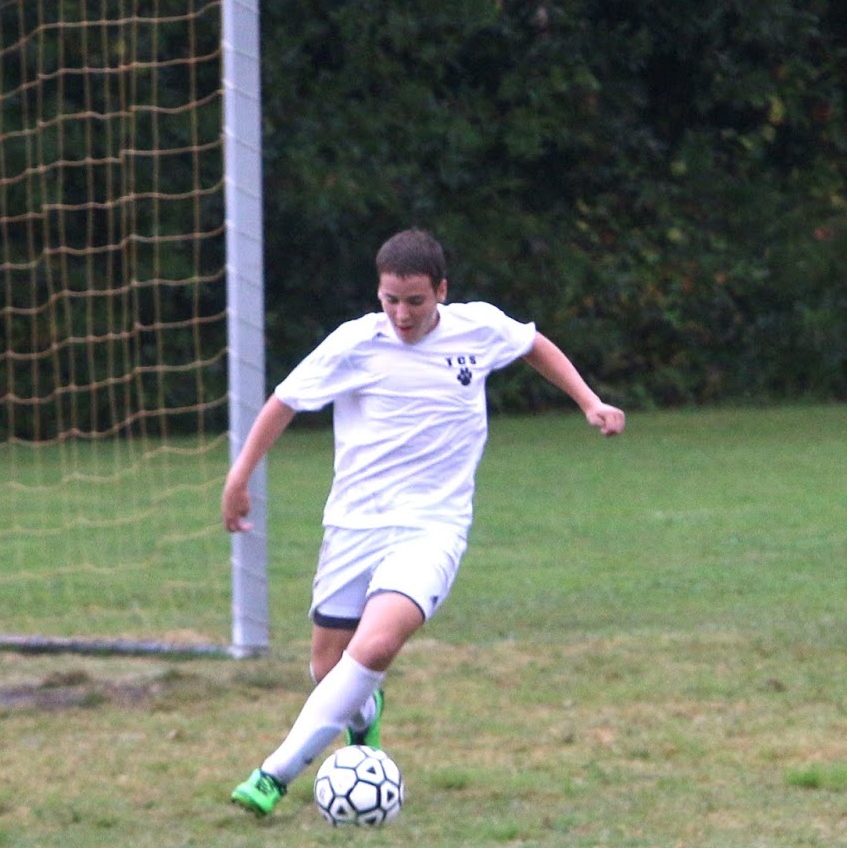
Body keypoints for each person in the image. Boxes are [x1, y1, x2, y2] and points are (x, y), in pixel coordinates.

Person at [225, 229, 625, 816]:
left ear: (441, 290)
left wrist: (589, 400)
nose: (402, 314)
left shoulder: (477, 328)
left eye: (415, 301)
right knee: (328, 667)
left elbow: (532, 344)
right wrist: (239, 478)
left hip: (433, 527)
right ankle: (365, 714)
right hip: (355, 524)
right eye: (390, 300)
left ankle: (273, 774)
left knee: (378, 642)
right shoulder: (354, 344)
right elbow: (284, 402)